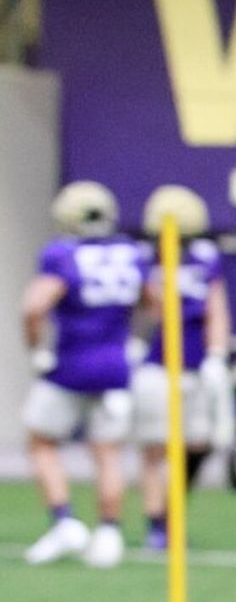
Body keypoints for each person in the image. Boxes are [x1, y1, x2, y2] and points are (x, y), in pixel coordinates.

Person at [21, 181, 145, 568]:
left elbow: (34, 306)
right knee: (108, 453)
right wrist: (139, 338)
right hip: (115, 366)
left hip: (71, 364)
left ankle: (65, 521)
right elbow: (154, 300)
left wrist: (37, 349)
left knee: (42, 441)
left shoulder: (62, 254)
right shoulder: (131, 252)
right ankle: (109, 532)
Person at [134, 185, 233, 551]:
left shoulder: (205, 258)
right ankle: (156, 524)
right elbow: (138, 310)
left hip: (194, 366)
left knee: (198, 443)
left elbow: (216, 309)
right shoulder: (143, 259)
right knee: (154, 448)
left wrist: (217, 354)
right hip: (156, 366)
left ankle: (172, 512)